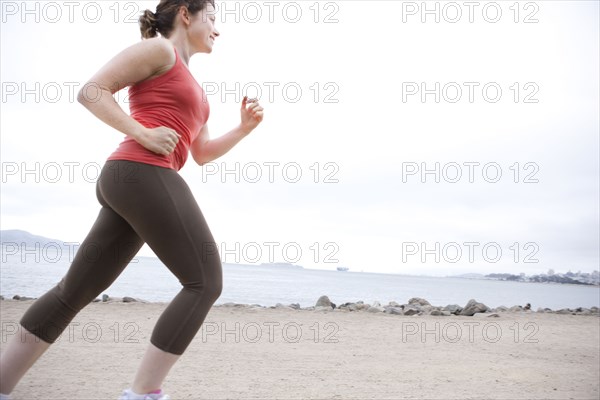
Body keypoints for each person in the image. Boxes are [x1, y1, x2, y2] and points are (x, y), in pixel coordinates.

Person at [0, 0, 263, 399]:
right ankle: (143, 393)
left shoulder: (199, 92)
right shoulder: (160, 50)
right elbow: (91, 91)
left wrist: (243, 129)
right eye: (212, 17)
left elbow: (202, 153)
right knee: (204, 282)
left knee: (72, 292)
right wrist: (142, 132)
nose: (218, 29)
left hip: (135, 182)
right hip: (141, 171)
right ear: (185, 15)